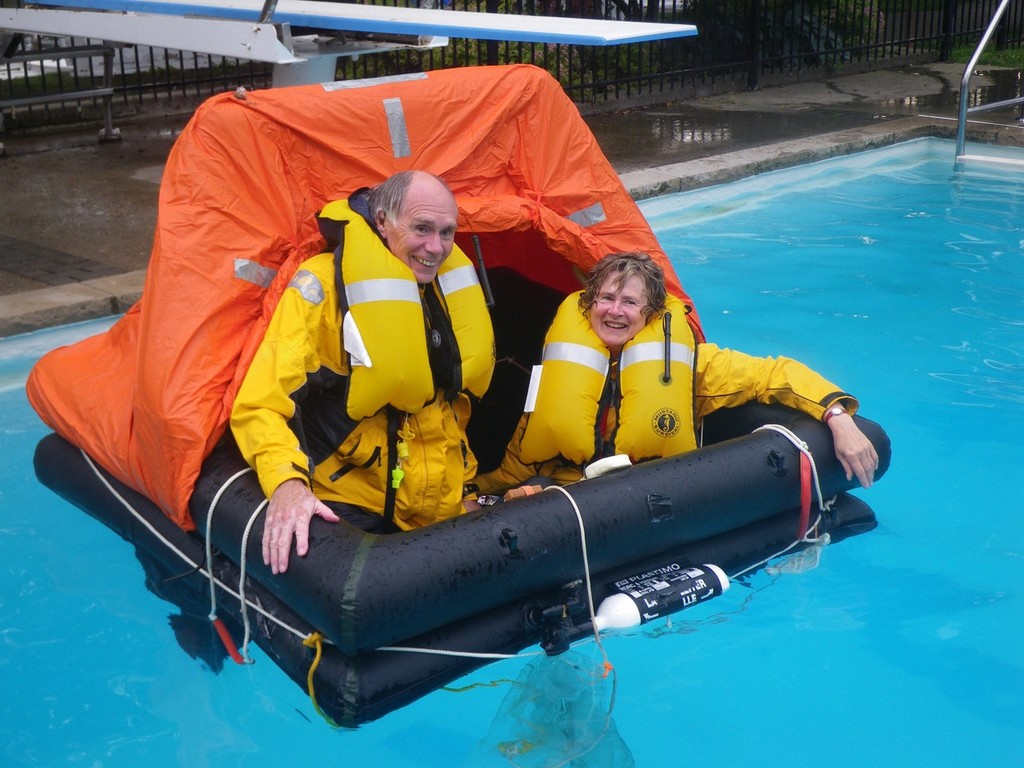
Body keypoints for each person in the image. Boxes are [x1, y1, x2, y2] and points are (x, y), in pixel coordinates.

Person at [231, 170, 495, 574]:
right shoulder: (323, 288)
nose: (435, 247)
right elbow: (260, 404)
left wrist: (467, 489)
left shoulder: (444, 288)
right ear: (383, 221)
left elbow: (450, 411)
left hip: (439, 505)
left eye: (447, 232)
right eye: (422, 228)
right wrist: (286, 484)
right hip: (354, 503)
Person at [476, 251, 878, 495]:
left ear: (651, 314)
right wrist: (481, 494)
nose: (615, 311)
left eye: (629, 302)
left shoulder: (690, 367)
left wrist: (838, 417)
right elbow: (522, 454)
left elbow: (774, 373)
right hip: (564, 495)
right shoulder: (564, 363)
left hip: (643, 497)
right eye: (606, 298)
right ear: (588, 304)